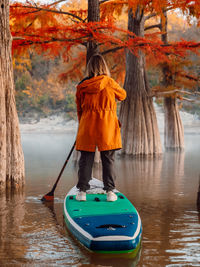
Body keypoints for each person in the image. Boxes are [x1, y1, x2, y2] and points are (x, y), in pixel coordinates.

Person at [75, 54, 126, 201]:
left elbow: (79, 109)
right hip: (107, 126)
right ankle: (110, 192)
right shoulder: (109, 82)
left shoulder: (82, 86)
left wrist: (82, 124)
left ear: (89, 68)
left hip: (88, 124)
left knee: (86, 159)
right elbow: (123, 95)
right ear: (104, 67)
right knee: (108, 159)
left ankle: (82, 192)